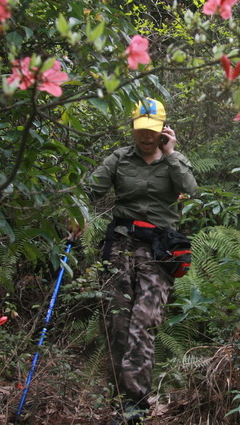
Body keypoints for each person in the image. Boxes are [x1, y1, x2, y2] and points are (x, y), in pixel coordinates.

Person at [83, 98, 197, 424]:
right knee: (116, 323)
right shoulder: (119, 158)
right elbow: (89, 191)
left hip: (159, 251)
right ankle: (121, 402)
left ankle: (135, 405)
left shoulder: (174, 160)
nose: (146, 136)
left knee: (144, 320)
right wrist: (76, 213)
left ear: (163, 130)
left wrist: (171, 154)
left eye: (153, 130)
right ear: (132, 128)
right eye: (141, 129)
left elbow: (191, 188)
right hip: (120, 246)